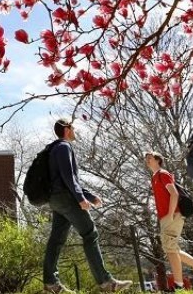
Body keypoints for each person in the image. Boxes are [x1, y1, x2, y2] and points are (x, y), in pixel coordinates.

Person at [42, 119, 132, 294]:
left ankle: (50, 283)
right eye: (73, 127)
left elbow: (64, 179)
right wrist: (80, 198)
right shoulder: (64, 147)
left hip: (55, 199)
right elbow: (69, 177)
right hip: (66, 198)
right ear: (67, 129)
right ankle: (106, 282)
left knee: (57, 239)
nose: (74, 130)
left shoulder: (53, 149)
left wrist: (89, 196)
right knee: (90, 233)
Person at [144, 151, 193, 290]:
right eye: (146, 158)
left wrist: (170, 214)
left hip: (172, 215)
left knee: (170, 249)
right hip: (165, 217)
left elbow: (174, 194)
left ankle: (178, 285)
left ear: (158, 160)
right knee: (172, 249)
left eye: (150, 158)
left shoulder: (163, 174)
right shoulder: (154, 177)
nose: (147, 160)